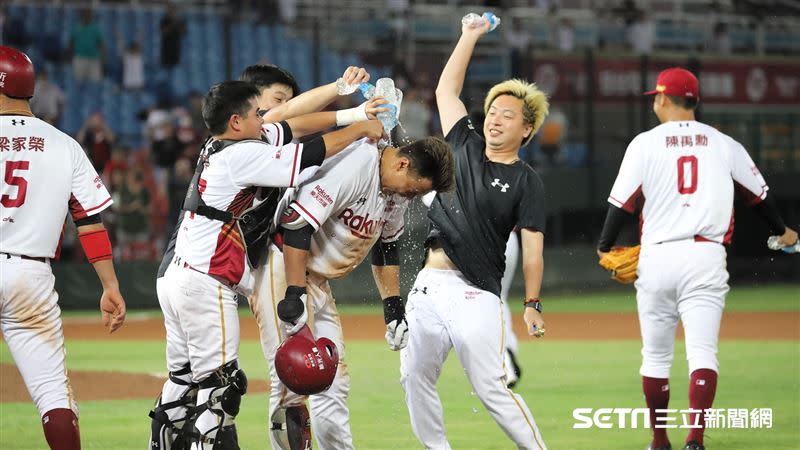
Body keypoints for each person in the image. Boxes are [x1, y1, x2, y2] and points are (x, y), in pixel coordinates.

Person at [148, 80, 385, 450]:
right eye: (257, 114)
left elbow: (294, 127)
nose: (266, 118)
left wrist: (354, 111)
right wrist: (358, 130)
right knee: (221, 389)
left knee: (183, 382)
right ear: (236, 122)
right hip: (206, 281)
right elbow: (308, 154)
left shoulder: (224, 144)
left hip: (179, 276)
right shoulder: (241, 156)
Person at [597, 67, 799, 450]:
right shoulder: (725, 144)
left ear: (662, 99)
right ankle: (695, 440)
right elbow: (760, 199)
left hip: (656, 257)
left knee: (655, 356)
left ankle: (659, 441)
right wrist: (783, 231)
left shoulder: (644, 143)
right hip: (705, 255)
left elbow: (620, 204)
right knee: (702, 351)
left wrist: (604, 246)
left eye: (655, 97)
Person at [400, 18, 550, 450]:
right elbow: (447, 91)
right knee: (414, 377)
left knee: (491, 388)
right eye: (494, 111)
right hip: (427, 285)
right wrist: (469, 35)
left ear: (526, 130)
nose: (496, 120)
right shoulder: (462, 143)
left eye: (509, 115)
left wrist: (533, 303)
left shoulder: (526, 180)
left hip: (476, 291)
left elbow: (533, 251)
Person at [252, 132, 455, 450]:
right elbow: (297, 224)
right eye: (414, 190)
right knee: (294, 378)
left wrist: (393, 307)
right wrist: (294, 295)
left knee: (333, 380)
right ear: (402, 163)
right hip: (285, 265)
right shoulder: (358, 163)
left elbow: (387, 246)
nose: (412, 197)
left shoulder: (395, 191)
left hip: (317, 279)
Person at [0, 45, 126, 450]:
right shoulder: (63, 144)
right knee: (53, 394)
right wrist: (109, 285)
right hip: (30, 277)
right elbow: (88, 220)